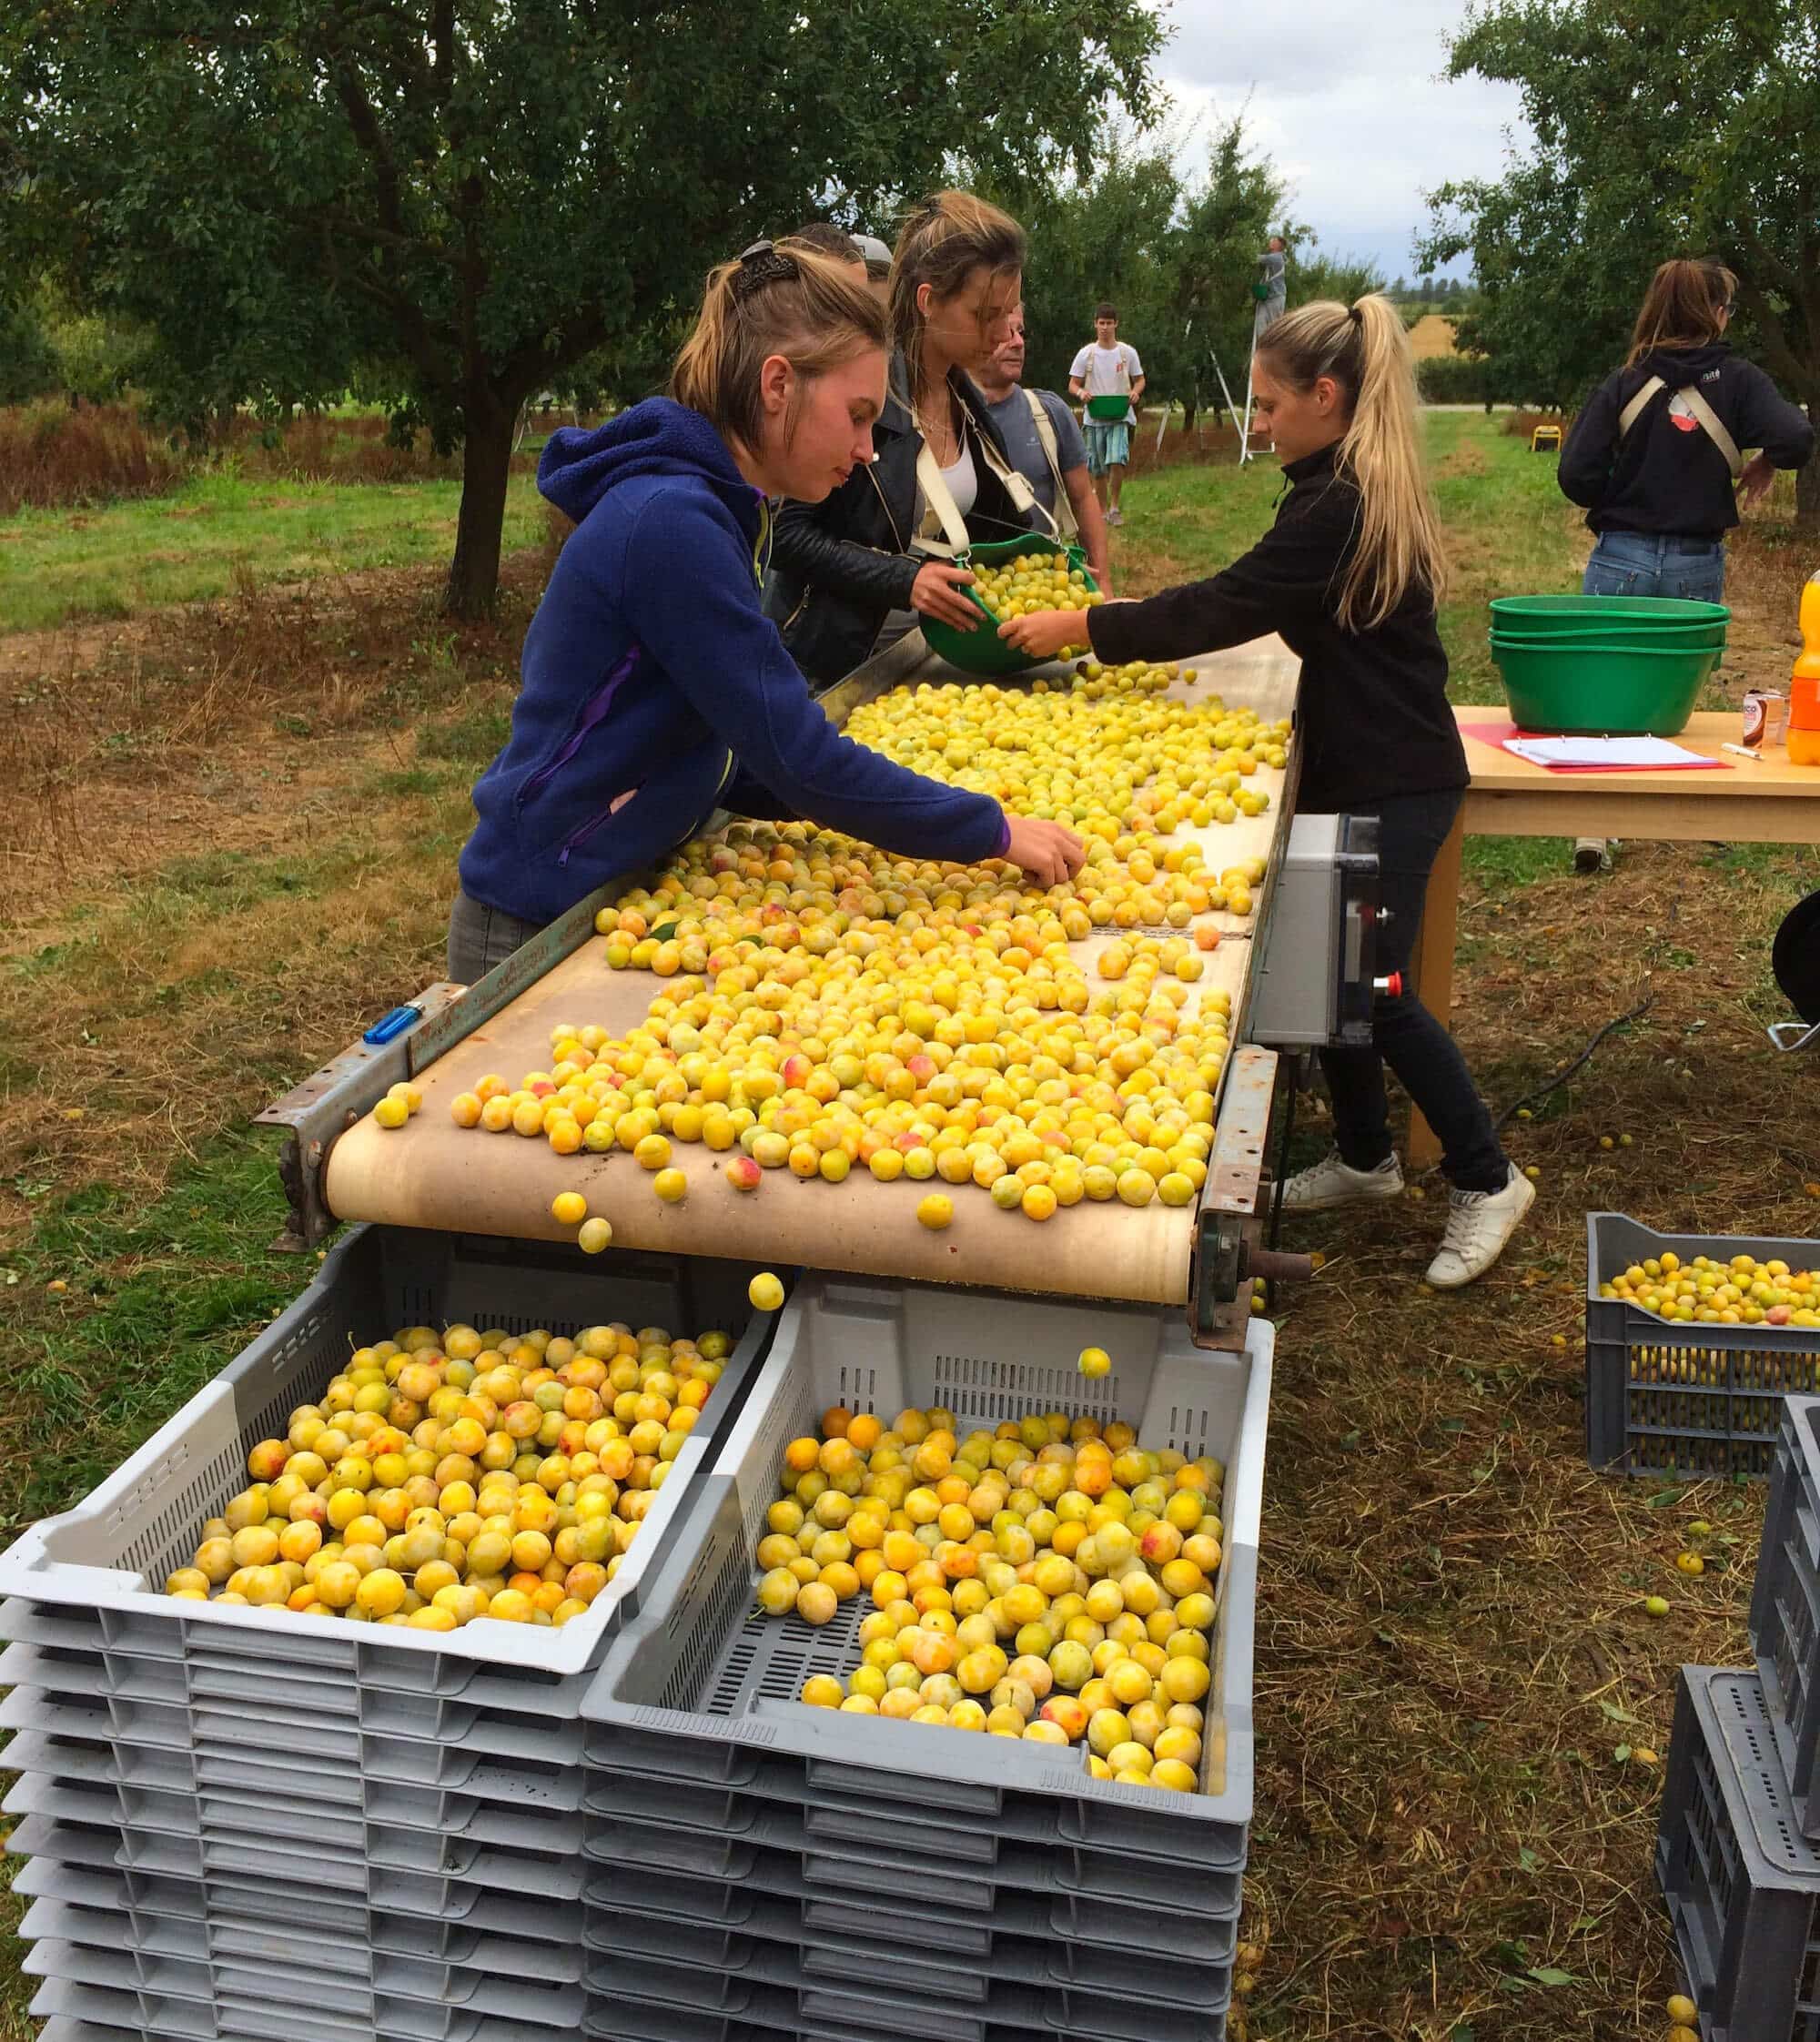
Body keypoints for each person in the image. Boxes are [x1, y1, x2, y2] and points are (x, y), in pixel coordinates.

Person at [999, 295, 1533, 1287]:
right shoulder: (1333, 485)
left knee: (1373, 989)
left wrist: (1085, 625)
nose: (1258, 422)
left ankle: (1487, 1177)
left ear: (1325, 396)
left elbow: (1224, 605)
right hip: (1358, 760)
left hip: (1397, 776)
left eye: (1269, 404)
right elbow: (1249, 596)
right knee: (1330, 971)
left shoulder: (1336, 506)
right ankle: (1366, 1157)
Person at [448, 239, 1083, 983]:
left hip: (616, 888)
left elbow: (733, 741)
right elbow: (795, 754)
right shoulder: (671, 524)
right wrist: (989, 830)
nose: (868, 450)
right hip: (535, 917)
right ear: (778, 383)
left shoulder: (719, 509)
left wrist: (878, 797)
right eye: (857, 417)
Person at [1560, 257, 1815, 874]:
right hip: (1696, 563)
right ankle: (1676, 809)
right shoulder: (1741, 380)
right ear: (1716, 314)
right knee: (1675, 697)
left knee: (1605, 687)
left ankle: (1595, 826)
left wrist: (1623, 493)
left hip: (1621, 554)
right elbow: (1796, 438)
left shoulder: (1625, 381)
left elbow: (1575, 475)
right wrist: (1764, 462)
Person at [763, 191, 1045, 687]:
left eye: (1009, 312)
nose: (1004, 333)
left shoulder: (969, 411)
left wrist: (1058, 579)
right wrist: (905, 580)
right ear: (928, 301)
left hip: (921, 670)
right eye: (985, 315)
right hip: (825, 674)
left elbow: (997, 536)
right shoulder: (862, 402)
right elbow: (785, 535)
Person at [975, 307, 1111, 591]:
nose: (1018, 342)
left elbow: (1083, 499)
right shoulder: (942, 417)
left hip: (1043, 590)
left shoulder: (1048, 412)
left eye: (1021, 332)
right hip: (970, 593)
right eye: (1007, 332)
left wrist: (1103, 583)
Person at [1068, 306, 1145, 526]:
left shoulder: (1127, 353)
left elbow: (1140, 380)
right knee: (1097, 466)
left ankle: (1115, 507)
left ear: (1116, 324)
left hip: (1120, 414)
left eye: (1109, 323)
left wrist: (1135, 392)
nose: (1105, 327)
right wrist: (1081, 393)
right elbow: (1073, 384)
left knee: (1117, 460)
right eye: (1101, 323)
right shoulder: (1086, 354)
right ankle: (1101, 511)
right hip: (1094, 417)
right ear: (1095, 324)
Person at [1254, 236, 1288, 340]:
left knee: (1273, 328)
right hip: (1271, 297)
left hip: (1276, 297)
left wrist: (1246, 251)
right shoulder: (1277, 257)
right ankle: (1262, 346)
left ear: (1278, 245)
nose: (1271, 242)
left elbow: (1257, 258)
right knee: (1261, 324)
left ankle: (1272, 348)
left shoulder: (1276, 257)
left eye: (1274, 241)